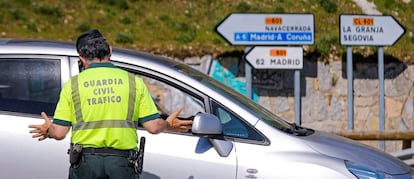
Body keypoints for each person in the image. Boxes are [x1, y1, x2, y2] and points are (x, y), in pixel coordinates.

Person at [28, 29, 193, 179]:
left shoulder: (73, 85)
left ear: (82, 59)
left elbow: (59, 133)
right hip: (121, 165)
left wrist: (48, 130)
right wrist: (168, 124)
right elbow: (154, 127)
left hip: (85, 164)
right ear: (110, 51)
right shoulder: (133, 82)